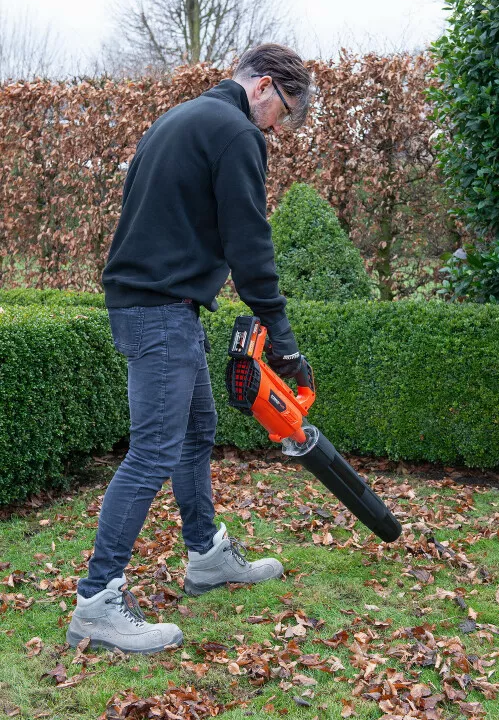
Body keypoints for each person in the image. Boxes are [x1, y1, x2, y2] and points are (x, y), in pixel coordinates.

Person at [67, 44, 313, 654]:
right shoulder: (236, 132)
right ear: (263, 86)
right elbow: (249, 243)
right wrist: (281, 340)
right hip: (159, 310)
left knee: (197, 429)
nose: (275, 128)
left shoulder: (179, 118)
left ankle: (205, 555)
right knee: (154, 449)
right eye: (282, 112)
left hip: (157, 304)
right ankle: (97, 602)